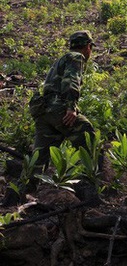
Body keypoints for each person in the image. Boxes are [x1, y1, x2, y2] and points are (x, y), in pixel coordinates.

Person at [30, 30, 97, 169]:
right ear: (88, 47)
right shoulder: (76, 57)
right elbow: (71, 81)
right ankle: (95, 180)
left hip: (44, 111)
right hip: (57, 108)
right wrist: (71, 107)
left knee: (39, 157)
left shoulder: (62, 59)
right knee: (87, 134)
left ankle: (24, 188)